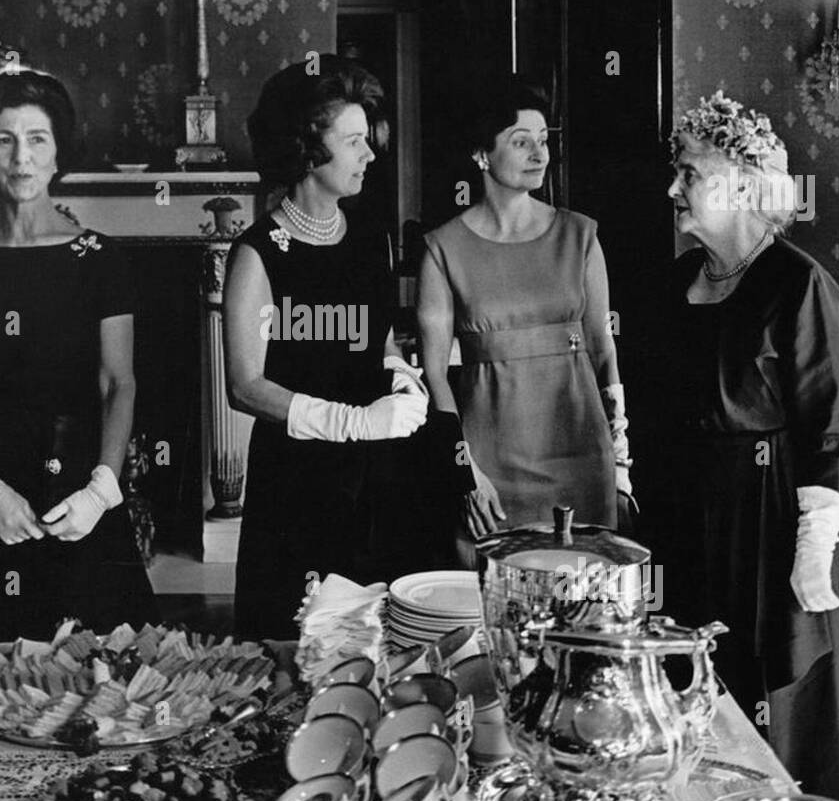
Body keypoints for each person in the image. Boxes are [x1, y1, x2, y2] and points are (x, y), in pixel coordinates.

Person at [650, 90, 839, 801]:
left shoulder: (798, 284)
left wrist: (813, 543)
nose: (675, 188)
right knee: (700, 681)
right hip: (696, 515)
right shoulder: (675, 283)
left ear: (737, 185)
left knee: (777, 694)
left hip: (774, 517)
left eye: (690, 173)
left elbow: (831, 422)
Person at [0, 69, 157, 640]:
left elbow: (117, 383)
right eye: (4, 139)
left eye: (37, 139)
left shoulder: (98, 257)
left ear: (59, 154)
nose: (21, 158)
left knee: (112, 667)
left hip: (79, 489)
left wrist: (102, 491)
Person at [223, 57, 431, 639]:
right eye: (355, 142)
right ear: (308, 149)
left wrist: (398, 375)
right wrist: (351, 422)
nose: (371, 154)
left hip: (373, 476)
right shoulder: (258, 253)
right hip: (295, 482)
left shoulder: (372, 241)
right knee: (296, 646)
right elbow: (244, 385)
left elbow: (378, 335)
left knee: (376, 641)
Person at [417, 79, 634, 554]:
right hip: (489, 464)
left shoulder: (580, 236)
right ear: (481, 154)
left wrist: (620, 463)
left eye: (544, 140)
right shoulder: (442, 248)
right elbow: (434, 377)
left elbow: (603, 350)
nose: (540, 153)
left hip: (581, 452)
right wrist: (464, 471)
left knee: (583, 606)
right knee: (492, 607)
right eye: (522, 142)